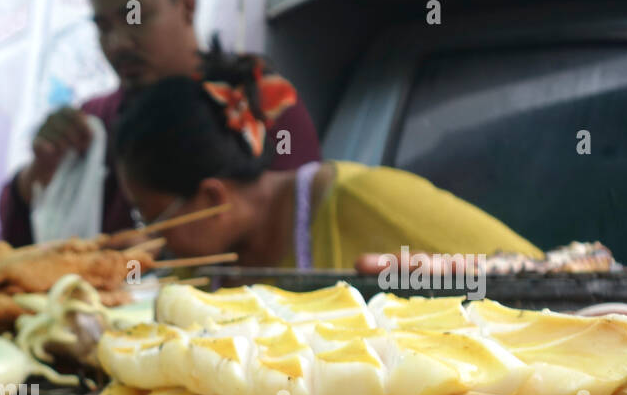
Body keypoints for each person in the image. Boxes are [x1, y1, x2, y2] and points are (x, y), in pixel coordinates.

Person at [0, 0, 320, 245]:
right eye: (103, 26)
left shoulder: (261, 103)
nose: (118, 43)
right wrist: (38, 178)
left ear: (187, 5)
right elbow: (22, 249)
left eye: (135, 17)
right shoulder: (90, 127)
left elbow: (299, 224)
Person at [112, 71, 541, 268]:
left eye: (154, 219)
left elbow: (546, 277)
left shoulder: (370, 198)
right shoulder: (199, 269)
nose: (149, 239)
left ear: (213, 198)